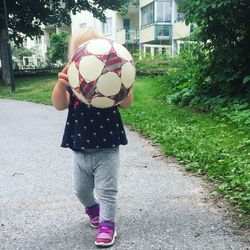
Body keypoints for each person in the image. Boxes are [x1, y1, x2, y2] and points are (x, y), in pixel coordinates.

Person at [51, 28, 133, 247]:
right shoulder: (73, 79)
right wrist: (60, 84)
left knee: (107, 190)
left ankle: (108, 225)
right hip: (80, 147)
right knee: (80, 190)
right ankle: (93, 210)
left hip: (107, 147)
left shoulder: (111, 79)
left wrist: (125, 81)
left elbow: (126, 103)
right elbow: (59, 105)